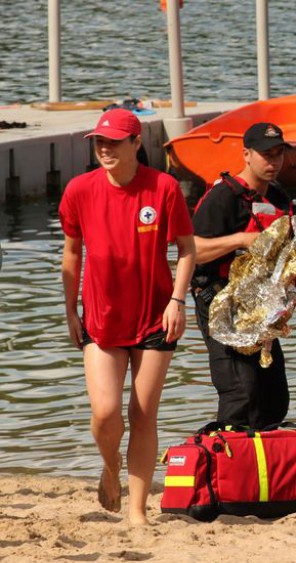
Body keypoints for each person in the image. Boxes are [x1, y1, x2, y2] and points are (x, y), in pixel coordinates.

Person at [60, 108, 196, 525]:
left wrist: (177, 300)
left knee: (142, 412)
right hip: (101, 318)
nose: (104, 149)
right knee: (104, 413)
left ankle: (137, 511)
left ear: (137, 143)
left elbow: (187, 250)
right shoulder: (79, 190)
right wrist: (69, 310)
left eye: (114, 142)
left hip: (156, 316)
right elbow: (72, 253)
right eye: (99, 142)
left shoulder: (164, 187)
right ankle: (110, 467)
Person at [190, 122, 296, 428]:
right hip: (219, 302)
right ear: (246, 155)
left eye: (278, 154)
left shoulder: (278, 197)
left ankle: (266, 465)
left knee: (274, 397)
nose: (273, 161)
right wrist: (240, 240)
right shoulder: (223, 197)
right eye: (266, 154)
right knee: (241, 392)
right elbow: (191, 250)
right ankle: (224, 463)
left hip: (262, 309)